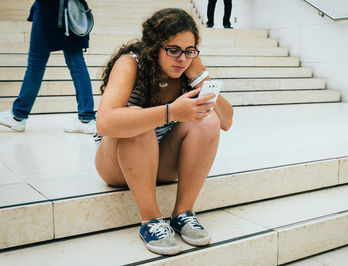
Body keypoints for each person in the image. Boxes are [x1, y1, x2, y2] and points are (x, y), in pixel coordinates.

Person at [94, 8, 233, 255]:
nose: (182, 58)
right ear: (153, 48)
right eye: (173, 50)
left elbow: (226, 121)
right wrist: (170, 112)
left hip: (161, 161)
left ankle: (183, 214)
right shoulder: (130, 63)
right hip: (117, 164)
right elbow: (104, 122)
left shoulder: (189, 68)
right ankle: (151, 221)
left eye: (189, 50)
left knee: (208, 119)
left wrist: (201, 77)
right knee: (140, 120)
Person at [0, 0, 96, 133]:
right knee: (77, 64)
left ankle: (18, 116)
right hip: (73, 10)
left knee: (36, 63)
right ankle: (86, 118)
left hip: (50, 8)